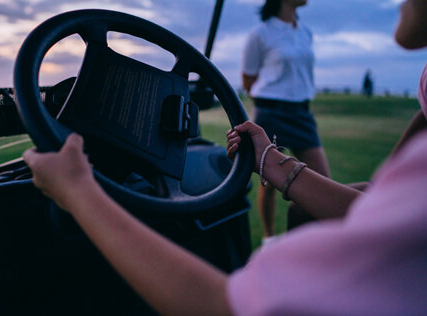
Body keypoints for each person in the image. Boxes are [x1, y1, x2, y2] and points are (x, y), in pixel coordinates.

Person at [23, 0, 427, 314]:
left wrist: (77, 189)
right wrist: (270, 159)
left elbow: (222, 307)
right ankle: (272, 240)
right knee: (304, 211)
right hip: (274, 107)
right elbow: (374, 204)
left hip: (300, 109)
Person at [241, 0, 330, 237]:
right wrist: (270, 103)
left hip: (301, 113)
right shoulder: (260, 33)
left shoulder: (305, 32)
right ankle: (269, 238)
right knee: (269, 182)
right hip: (270, 113)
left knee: (323, 181)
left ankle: (311, 241)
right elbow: (248, 79)